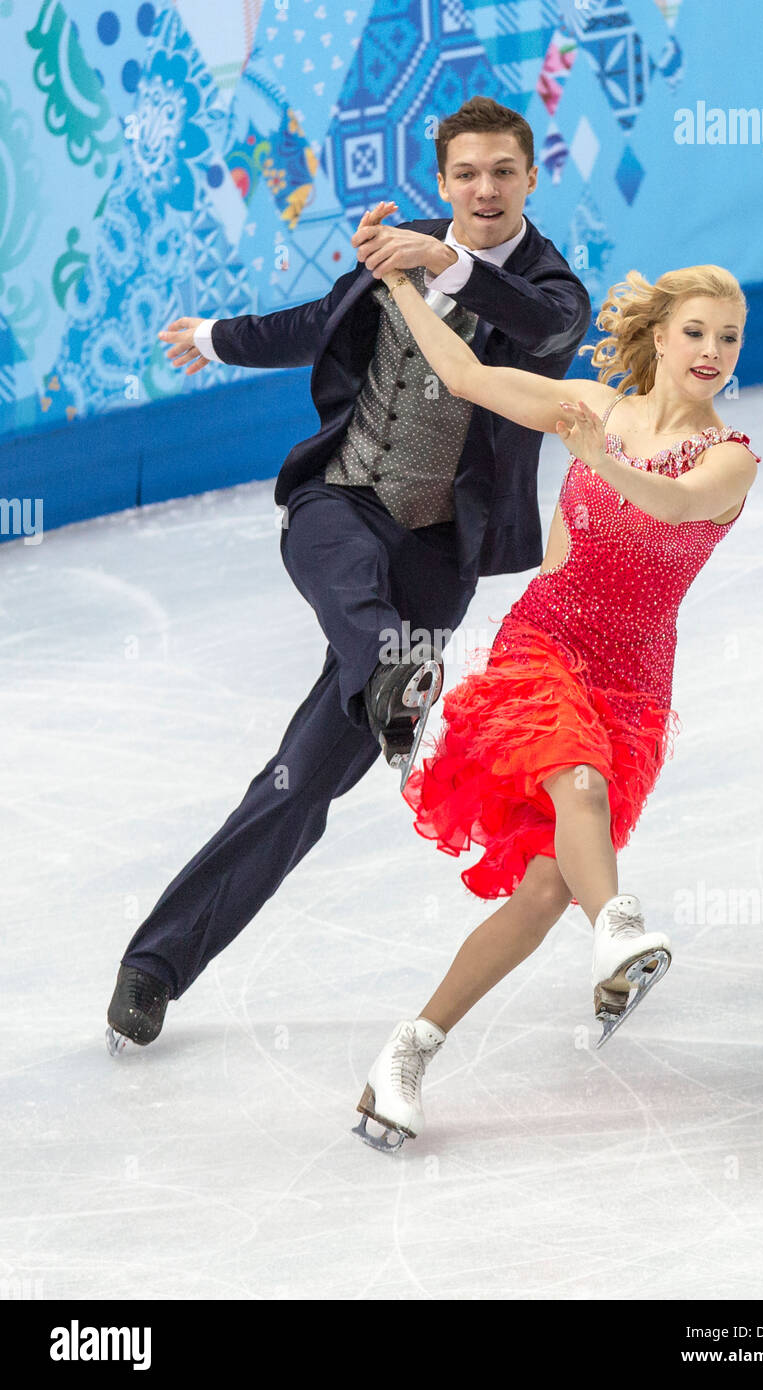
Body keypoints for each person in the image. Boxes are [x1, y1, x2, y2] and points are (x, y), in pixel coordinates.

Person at [105, 97, 591, 1053]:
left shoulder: (552, 289)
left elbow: (534, 329)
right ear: (442, 181)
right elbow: (311, 325)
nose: (485, 190)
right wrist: (212, 337)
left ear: (530, 179)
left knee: (297, 786)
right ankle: (392, 676)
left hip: (434, 558)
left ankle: (154, 965)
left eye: (503, 172)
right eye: (466, 174)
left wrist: (442, 265)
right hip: (342, 496)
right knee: (336, 553)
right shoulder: (393, 248)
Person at [352, 262, 761, 1151]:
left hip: (634, 683)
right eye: (696, 332)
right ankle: (617, 930)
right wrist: (405, 291)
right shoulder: (593, 407)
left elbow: (668, 505)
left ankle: (407, 1052)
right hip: (545, 645)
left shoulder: (729, 459)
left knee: (543, 888)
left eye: (728, 338)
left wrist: (603, 462)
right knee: (576, 783)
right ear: (660, 336)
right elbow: (466, 378)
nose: (712, 352)